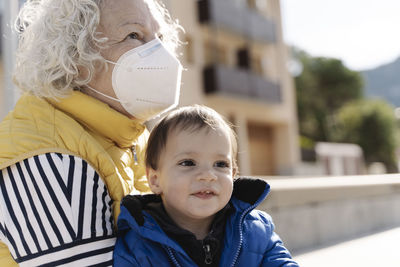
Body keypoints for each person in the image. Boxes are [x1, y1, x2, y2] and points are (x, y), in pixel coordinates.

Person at [0, 0, 182, 265]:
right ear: (76, 57)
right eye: (134, 35)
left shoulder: (130, 139)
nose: (160, 51)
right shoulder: (53, 164)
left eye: (160, 37)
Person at [114, 105, 299, 266]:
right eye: (188, 163)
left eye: (220, 164)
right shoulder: (138, 245)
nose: (208, 176)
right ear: (155, 180)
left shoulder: (256, 230)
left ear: (233, 175)